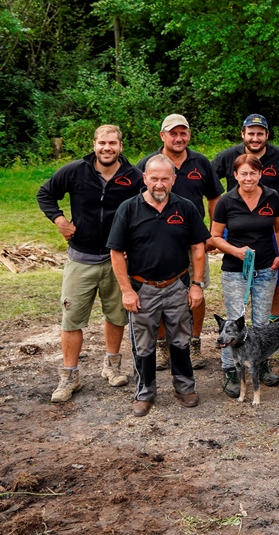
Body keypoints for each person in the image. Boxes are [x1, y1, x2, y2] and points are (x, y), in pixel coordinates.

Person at [36, 125, 143, 403]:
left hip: (117, 260)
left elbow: (144, 210)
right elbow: (45, 194)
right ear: (94, 144)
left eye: (112, 143)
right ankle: (69, 375)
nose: (107, 148)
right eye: (102, 143)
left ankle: (112, 365)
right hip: (80, 258)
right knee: (71, 318)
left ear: (121, 146)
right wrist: (60, 220)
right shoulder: (74, 171)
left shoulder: (133, 177)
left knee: (117, 315)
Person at [107, 155, 209, 417]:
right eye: (154, 178)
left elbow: (198, 247)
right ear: (145, 178)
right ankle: (145, 393)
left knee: (181, 339)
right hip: (142, 288)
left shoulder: (186, 208)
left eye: (165, 178)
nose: (160, 184)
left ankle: (185, 387)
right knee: (143, 345)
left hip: (177, 284)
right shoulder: (128, 209)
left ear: (174, 180)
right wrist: (127, 291)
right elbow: (116, 253)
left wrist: (196, 285)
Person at [138, 114, 222, 370]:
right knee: (159, 292)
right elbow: (136, 204)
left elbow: (214, 197)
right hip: (157, 242)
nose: (178, 138)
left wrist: (211, 232)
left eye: (183, 133)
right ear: (162, 136)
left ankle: (194, 344)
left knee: (196, 290)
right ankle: (163, 346)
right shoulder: (149, 164)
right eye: (172, 133)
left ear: (189, 135)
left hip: (193, 241)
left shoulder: (201, 163)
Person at [212, 114, 279, 321]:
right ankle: (239, 324)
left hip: (269, 224)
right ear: (243, 134)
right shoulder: (227, 157)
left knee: (274, 274)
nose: (255, 138)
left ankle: (272, 319)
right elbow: (208, 180)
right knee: (238, 275)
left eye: (260, 134)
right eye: (251, 133)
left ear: (267, 135)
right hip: (235, 223)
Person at [209, 154, 279, 398]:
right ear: (235, 175)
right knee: (233, 321)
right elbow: (215, 236)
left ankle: (261, 364)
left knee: (262, 322)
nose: (248, 178)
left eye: (253, 173)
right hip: (235, 271)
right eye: (243, 173)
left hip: (265, 269)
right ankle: (231, 370)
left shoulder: (271, 197)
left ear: (260, 174)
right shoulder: (226, 201)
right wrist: (236, 251)